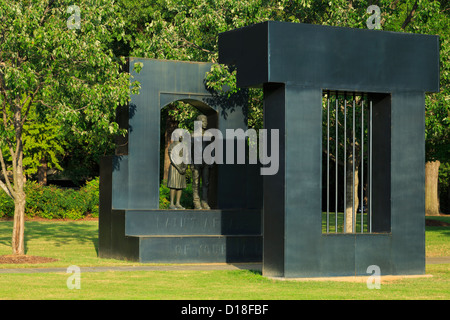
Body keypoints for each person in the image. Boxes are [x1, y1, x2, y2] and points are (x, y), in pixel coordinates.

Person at [191, 114, 211, 210]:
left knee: (205, 182)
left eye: (206, 121)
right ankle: (196, 202)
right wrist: (191, 163)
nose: (206, 123)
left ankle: (204, 201)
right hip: (196, 161)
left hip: (206, 161)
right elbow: (190, 150)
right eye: (203, 121)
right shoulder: (193, 135)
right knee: (195, 183)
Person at [167, 135, 187, 209]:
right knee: (173, 185)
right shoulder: (172, 146)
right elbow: (171, 158)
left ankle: (178, 203)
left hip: (181, 168)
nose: (181, 137)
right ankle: (171, 203)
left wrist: (185, 167)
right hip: (174, 168)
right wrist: (178, 168)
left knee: (180, 186)